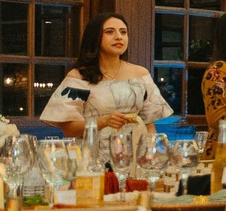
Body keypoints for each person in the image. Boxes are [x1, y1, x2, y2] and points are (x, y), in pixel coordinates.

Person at [41, 13, 172, 132]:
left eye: (123, 32)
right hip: (93, 154)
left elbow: (149, 125)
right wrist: (102, 122)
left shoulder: (140, 74)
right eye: (110, 32)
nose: (119, 37)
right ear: (95, 38)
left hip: (134, 154)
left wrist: (150, 152)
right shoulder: (78, 77)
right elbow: (69, 129)